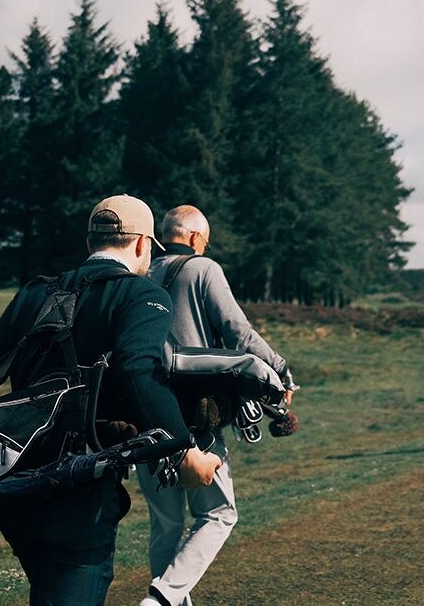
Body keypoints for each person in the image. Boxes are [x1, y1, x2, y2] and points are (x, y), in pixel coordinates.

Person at [0, 194, 221, 605]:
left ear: (90, 243)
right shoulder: (140, 295)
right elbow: (137, 370)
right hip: (80, 490)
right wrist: (185, 453)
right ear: (140, 245)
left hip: (16, 488)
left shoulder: (36, 293)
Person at [138, 205, 296, 606]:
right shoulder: (203, 268)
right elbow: (238, 332)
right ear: (194, 239)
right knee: (219, 514)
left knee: (166, 524)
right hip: (196, 417)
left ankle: (164, 599)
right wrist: (279, 371)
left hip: (144, 413)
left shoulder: (141, 272)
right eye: (204, 241)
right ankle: (162, 597)